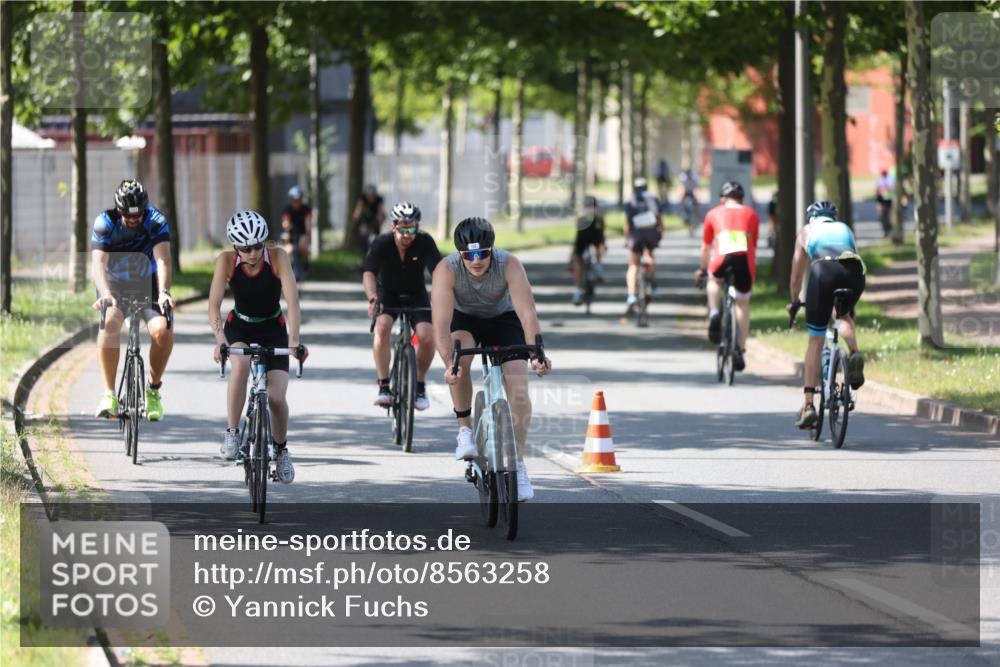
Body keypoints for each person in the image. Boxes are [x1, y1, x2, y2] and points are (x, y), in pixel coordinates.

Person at [431, 217, 551, 501]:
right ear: (461, 255)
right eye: (469, 255)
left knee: (519, 387)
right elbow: (440, 324)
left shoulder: (508, 264)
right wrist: (450, 364)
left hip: (503, 319)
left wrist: (537, 354)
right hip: (465, 319)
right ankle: (465, 431)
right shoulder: (446, 269)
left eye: (482, 254)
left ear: (491, 250)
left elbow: (527, 313)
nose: (476, 261)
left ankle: (519, 465)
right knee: (460, 361)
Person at [208, 210, 307, 483]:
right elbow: (214, 306)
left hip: (273, 328)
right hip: (240, 325)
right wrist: (221, 342)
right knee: (239, 364)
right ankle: (232, 432)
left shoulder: (278, 257)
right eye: (246, 248)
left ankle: (282, 450)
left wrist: (294, 341)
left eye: (258, 246)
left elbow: (293, 302)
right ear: (235, 247)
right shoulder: (226, 262)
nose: (252, 253)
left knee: (276, 397)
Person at [91, 179, 175, 421]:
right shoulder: (105, 222)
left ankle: (153, 389)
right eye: (128, 216)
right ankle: (109, 394)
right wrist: (105, 293)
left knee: (163, 330)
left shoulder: (156, 220)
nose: (134, 221)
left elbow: (162, 260)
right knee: (109, 323)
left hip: (146, 282)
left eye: (138, 216)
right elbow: (98, 263)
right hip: (114, 284)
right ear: (119, 210)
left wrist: (164, 292)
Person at [787, 201, 867, 429]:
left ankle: (809, 405)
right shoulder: (845, 229)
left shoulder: (806, 231)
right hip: (854, 271)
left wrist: (794, 301)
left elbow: (796, 277)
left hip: (823, 272)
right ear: (833, 217)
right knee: (842, 316)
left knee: (815, 339)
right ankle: (854, 354)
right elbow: (852, 254)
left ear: (812, 216)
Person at [363, 202, 442, 410]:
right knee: (381, 328)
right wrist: (373, 298)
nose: (408, 234)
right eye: (403, 229)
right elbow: (369, 273)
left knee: (427, 336)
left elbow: (439, 273)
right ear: (393, 227)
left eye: (412, 228)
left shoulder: (425, 242)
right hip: (388, 295)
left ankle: (419, 384)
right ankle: (384, 386)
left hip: (417, 295)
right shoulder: (382, 243)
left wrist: (441, 298)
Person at [695, 181, 760, 373]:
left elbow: (706, 247)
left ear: (723, 198)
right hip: (743, 260)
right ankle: (740, 348)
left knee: (713, 280)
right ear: (741, 198)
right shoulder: (752, 214)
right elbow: (753, 245)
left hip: (721, 258)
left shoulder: (713, 213)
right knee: (742, 303)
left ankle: (714, 312)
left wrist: (702, 268)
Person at [623, 178, 663, 308]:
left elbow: (627, 224)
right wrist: (660, 233)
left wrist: (627, 238)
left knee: (633, 265)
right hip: (651, 234)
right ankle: (653, 283)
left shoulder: (631, 202)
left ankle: (631, 295)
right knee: (649, 255)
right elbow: (659, 219)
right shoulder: (653, 200)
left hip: (636, 235)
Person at [570, 195, 606, 306]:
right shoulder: (598, 212)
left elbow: (576, 227)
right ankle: (599, 266)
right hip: (596, 235)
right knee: (599, 245)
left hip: (582, 237)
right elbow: (603, 226)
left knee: (578, 260)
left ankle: (577, 290)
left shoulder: (581, 212)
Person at [281, 185, 312, 281]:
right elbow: (285, 222)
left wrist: (308, 236)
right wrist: (287, 226)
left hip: (302, 234)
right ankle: (289, 270)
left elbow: (308, 224)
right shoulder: (287, 209)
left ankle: (305, 263)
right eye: (294, 200)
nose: (296, 203)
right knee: (288, 250)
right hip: (291, 234)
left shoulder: (306, 209)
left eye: (298, 200)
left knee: (303, 246)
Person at [352, 184, 385, 255]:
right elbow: (358, 211)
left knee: (376, 238)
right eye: (369, 195)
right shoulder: (362, 199)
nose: (370, 197)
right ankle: (365, 256)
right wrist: (357, 219)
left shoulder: (379, 200)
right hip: (365, 220)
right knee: (364, 237)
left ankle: (375, 254)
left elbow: (381, 212)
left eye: (372, 195)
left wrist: (380, 220)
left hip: (374, 220)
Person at [678, 168, 700, 234]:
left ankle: (693, 226)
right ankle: (687, 221)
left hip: (691, 193)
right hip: (686, 193)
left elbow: (696, 189)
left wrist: (696, 199)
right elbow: (681, 188)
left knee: (694, 210)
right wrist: (681, 199)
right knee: (686, 210)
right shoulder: (683, 178)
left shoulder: (694, 178)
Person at [875, 168, 894, 237]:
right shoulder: (880, 179)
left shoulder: (890, 179)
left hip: (889, 199)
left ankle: (889, 228)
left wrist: (885, 188)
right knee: (883, 216)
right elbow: (877, 190)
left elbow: (891, 187)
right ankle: (885, 229)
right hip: (882, 200)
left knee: (888, 215)